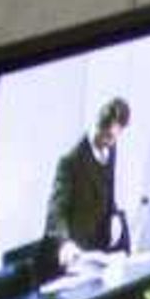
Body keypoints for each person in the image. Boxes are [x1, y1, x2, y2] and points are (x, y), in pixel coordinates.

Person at [49, 98, 130, 269]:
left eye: (116, 138)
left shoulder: (111, 147)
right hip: (79, 248)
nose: (112, 142)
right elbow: (56, 209)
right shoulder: (71, 159)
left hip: (102, 242)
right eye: (108, 137)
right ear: (99, 126)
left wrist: (114, 214)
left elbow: (106, 187)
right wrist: (64, 243)